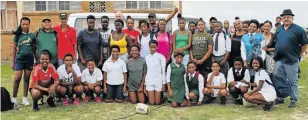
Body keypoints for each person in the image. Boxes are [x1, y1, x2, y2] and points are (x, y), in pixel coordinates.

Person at [274, 9, 308, 108]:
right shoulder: (279, 29)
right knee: (280, 80)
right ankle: (281, 97)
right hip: (280, 59)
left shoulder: (299, 29)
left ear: (292, 18)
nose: (286, 19)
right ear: (282, 19)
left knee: (293, 81)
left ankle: (294, 99)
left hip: (291, 60)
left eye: (288, 17)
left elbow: (304, 44)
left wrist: (299, 54)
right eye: (284, 17)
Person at [11, 17, 35, 106]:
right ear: (20, 25)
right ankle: (14, 98)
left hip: (29, 60)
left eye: (26, 24)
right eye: (23, 24)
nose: (25, 26)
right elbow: (14, 49)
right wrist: (13, 62)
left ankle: (25, 98)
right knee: (17, 79)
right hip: (19, 60)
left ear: (29, 25)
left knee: (26, 79)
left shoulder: (32, 35)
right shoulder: (17, 36)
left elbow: (34, 47)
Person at [145, 40, 166, 105]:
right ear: (149, 47)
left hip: (158, 81)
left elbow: (163, 70)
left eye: (154, 47)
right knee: (151, 102)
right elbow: (145, 71)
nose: (152, 49)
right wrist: (145, 84)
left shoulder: (161, 57)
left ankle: (163, 97)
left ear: (157, 47)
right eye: (151, 47)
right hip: (149, 81)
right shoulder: (146, 57)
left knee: (157, 103)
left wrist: (163, 83)